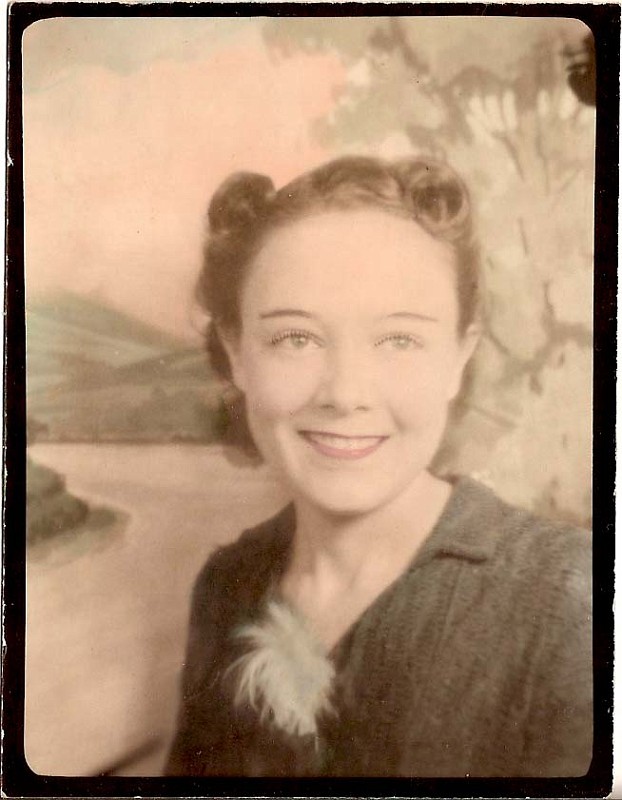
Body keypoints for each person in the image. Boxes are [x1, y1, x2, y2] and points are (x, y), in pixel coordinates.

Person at [165, 156, 592, 778]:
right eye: (295, 338)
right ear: (237, 353)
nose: (345, 393)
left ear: (459, 356)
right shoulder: (226, 587)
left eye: (399, 340)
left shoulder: (572, 604)